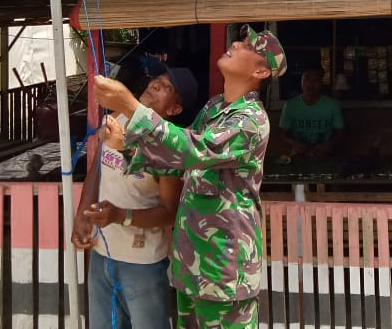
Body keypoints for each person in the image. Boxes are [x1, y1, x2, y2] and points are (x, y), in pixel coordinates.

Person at [94, 24, 286, 329]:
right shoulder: (213, 107)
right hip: (191, 265)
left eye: (249, 47)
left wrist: (130, 106)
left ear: (261, 73)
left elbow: (195, 149)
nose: (237, 45)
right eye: (240, 40)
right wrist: (127, 146)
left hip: (224, 270)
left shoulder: (251, 121)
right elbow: (179, 161)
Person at [72, 62, 199, 329]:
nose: (155, 85)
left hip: (141, 263)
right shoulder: (119, 118)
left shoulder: (168, 148)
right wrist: (82, 214)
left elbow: (169, 212)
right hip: (102, 252)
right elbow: (98, 166)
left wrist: (120, 216)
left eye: (167, 87)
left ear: (174, 109)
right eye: (158, 80)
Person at [276, 67, 344, 156]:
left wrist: (328, 145)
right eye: (306, 79)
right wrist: (293, 143)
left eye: (315, 80)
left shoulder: (332, 105)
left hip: (325, 155)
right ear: (301, 83)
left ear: (321, 84)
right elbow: (283, 132)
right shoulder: (290, 105)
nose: (310, 84)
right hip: (298, 155)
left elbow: (340, 133)